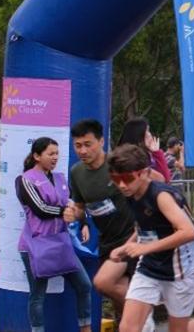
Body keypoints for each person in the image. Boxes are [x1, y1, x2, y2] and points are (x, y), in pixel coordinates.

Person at [107, 144, 194, 332]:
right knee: (128, 328)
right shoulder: (131, 193)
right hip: (149, 266)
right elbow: (144, 226)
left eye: (127, 178)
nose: (122, 185)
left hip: (181, 270)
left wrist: (145, 248)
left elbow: (188, 232)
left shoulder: (161, 196)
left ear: (143, 173)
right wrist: (127, 246)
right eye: (116, 179)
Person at [15, 137, 93, 332]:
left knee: (84, 285)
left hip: (61, 244)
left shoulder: (60, 178)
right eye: (50, 153)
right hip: (36, 245)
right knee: (38, 295)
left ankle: (85, 328)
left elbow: (71, 203)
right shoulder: (25, 179)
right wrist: (63, 212)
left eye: (57, 153)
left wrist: (82, 222)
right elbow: (40, 208)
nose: (55, 157)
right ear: (36, 156)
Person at [64, 120, 138, 323]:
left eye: (88, 144)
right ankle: (138, 316)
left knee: (106, 283)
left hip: (134, 235)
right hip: (108, 239)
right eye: (78, 146)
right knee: (115, 294)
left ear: (101, 141)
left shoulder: (118, 163)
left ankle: (141, 317)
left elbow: (150, 183)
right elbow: (80, 208)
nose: (83, 150)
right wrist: (73, 214)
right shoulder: (76, 172)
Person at [117, 117, 171, 182]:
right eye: (148, 131)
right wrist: (157, 153)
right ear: (139, 134)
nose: (150, 134)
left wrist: (156, 152)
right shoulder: (132, 159)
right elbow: (164, 179)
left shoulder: (147, 155)